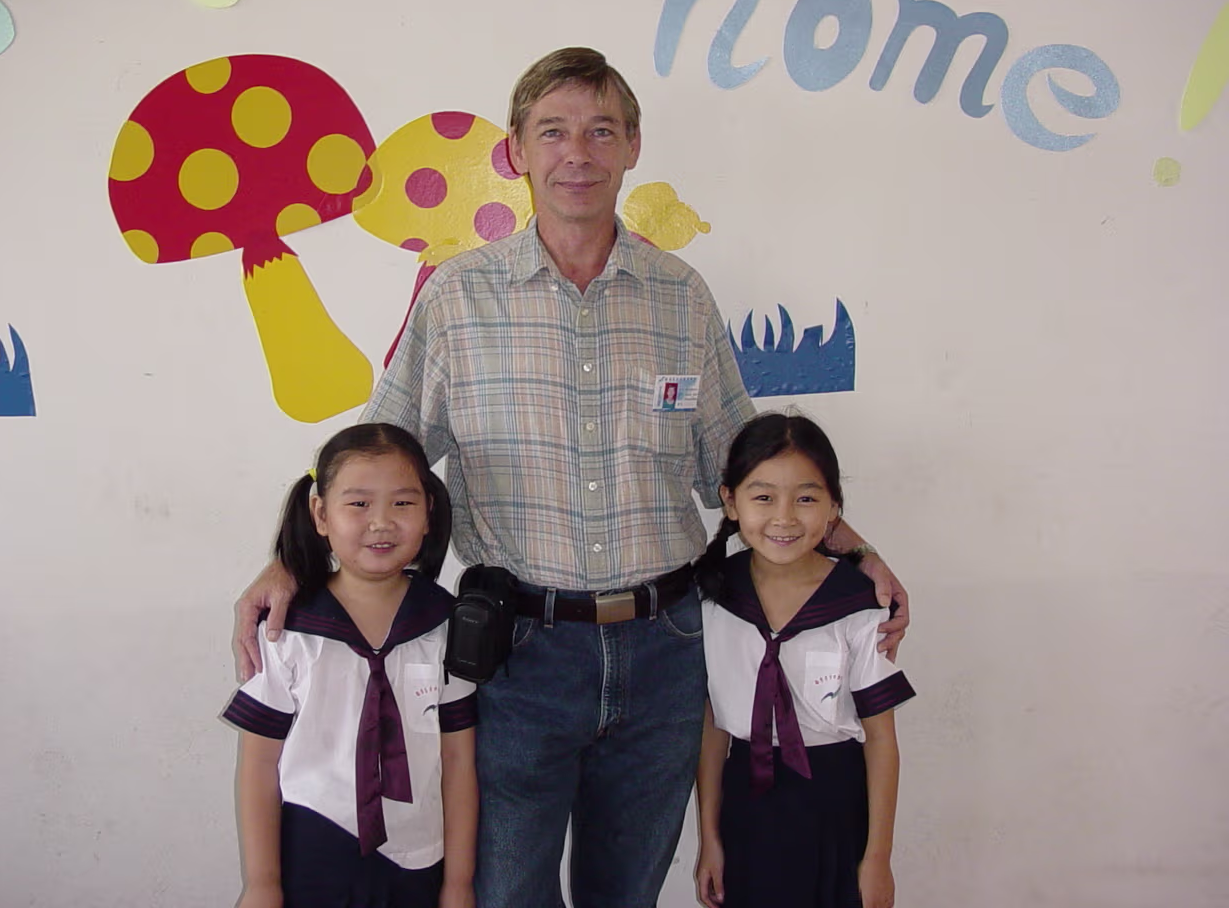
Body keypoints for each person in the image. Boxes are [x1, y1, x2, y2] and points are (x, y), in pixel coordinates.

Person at [234, 47, 910, 908]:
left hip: (668, 650)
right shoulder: (458, 299)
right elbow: (375, 454)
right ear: (516, 150)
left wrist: (858, 552)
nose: (577, 154)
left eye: (601, 131)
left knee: (624, 894)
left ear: (633, 145)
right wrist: (289, 560)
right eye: (553, 132)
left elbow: (748, 466)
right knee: (508, 893)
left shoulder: (680, 296)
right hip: (518, 654)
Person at [224, 423, 478, 908]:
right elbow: (258, 764)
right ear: (320, 514)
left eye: (402, 503)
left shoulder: (447, 626)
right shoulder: (285, 630)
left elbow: (458, 761)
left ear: (428, 512)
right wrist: (262, 884)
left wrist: (459, 884)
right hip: (311, 857)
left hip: (419, 860)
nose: (381, 522)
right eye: (359, 504)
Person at [692, 413, 914, 908]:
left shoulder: (859, 604)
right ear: (730, 501)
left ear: (835, 507)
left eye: (807, 499)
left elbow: (882, 739)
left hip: (835, 806)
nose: (785, 518)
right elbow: (712, 725)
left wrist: (878, 858)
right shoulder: (714, 597)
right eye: (763, 497)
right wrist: (709, 837)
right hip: (746, 805)